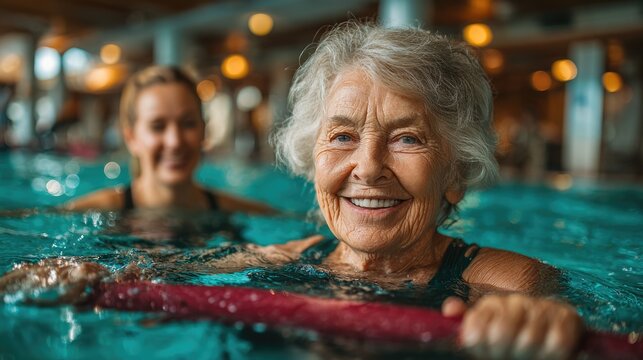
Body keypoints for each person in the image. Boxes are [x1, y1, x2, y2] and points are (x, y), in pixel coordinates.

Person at [0, 24, 583, 359]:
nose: (368, 167)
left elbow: (557, 320)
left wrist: (541, 330)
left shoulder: (507, 284)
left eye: (407, 139)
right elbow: (150, 276)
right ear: (312, 162)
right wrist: (65, 275)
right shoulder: (278, 258)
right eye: (343, 136)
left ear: (456, 170)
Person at [64, 66, 273, 214]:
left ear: (203, 130)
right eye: (158, 126)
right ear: (131, 138)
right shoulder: (86, 213)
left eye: (188, 123)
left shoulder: (244, 213)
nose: (175, 141)